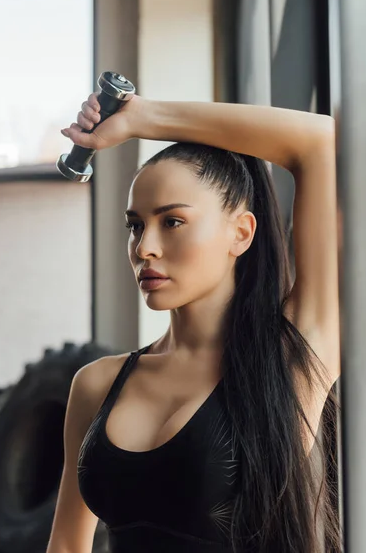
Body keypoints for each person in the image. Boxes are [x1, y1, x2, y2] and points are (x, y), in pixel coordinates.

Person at [47, 93, 341, 553]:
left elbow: (319, 142)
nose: (145, 247)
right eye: (136, 226)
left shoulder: (295, 356)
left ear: (241, 232)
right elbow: (66, 546)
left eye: (173, 222)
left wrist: (143, 117)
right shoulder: (97, 384)